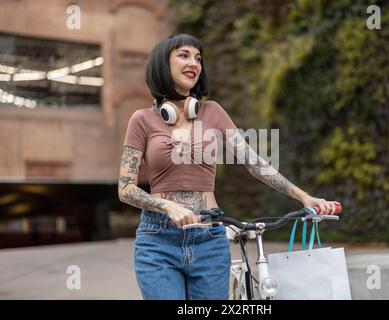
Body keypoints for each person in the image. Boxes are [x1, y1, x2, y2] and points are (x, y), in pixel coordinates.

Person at [118, 33, 340, 300]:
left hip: (209, 240)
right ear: (162, 65)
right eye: (184, 55)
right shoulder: (141, 120)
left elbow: (254, 163)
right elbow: (126, 188)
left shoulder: (213, 112)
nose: (194, 63)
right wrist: (167, 206)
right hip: (158, 240)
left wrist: (303, 196)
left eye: (198, 58)